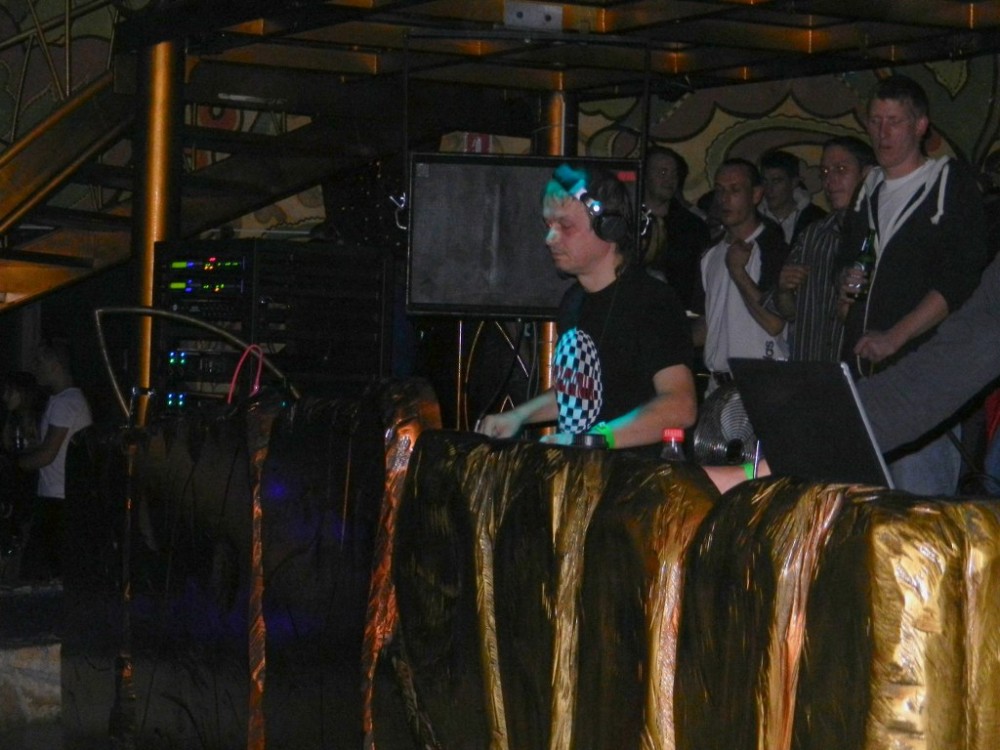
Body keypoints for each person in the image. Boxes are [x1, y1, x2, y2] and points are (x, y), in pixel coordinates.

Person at [476, 164, 697, 451]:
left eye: (565, 226)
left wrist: (596, 439)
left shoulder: (651, 301)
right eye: (548, 226)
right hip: (586, 470)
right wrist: (518, 416)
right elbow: (577, 393)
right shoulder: (573, 301)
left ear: (609, 227)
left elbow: (680, 407)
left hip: (636, 473)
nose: (550, 239)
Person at [837, 74, 987, 496]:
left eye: (894, 121)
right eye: (875, 121)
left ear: (920, 125)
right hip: (864, 380)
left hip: (921, 385)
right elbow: (849, 266)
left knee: (916, 512)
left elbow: (959, 279)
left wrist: (895, 336)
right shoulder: (868, 189)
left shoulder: (947, 182)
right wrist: (844, 285)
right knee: (864, 510)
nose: (882, 132)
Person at [769, 137, 876, 361]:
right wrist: (783, 289)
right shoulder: (812, 235)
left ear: (867, 174)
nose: (830, 180)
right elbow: (788, 312)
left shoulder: (882, 234)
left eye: (841, 169)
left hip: (860, 371)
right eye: (825, 172)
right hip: (808, 368)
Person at [693, 158, 789, 391]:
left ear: (756, 195)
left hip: (761, 384)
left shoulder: (773, 248)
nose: (724, 199)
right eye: (720, 190)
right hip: (717, 385)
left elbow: (774, 323)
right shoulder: (710, 254)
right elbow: (708, 323)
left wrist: (738, 272)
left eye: (735, 190)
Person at [16, 339, 93, 580]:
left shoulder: (66, 402)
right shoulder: (63, 400)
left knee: (39, 574)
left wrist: (14, 465)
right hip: (58, 497)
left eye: (39, 361)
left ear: (55, 364)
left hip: (59, 500)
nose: (35, 367)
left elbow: (47, 454)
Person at [640, 146, 711, 310]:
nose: (670, 180)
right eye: (662, 172)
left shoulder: (693, 227)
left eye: (674, 174)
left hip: (676, 313)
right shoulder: (627, 220)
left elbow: (700, 283)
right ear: (644, 175)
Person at [758, 149, 827, 246]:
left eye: (776, 181)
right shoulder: (752, 217)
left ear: (794, 182)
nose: (769, 188)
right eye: (765, 181)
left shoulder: (817, 219)